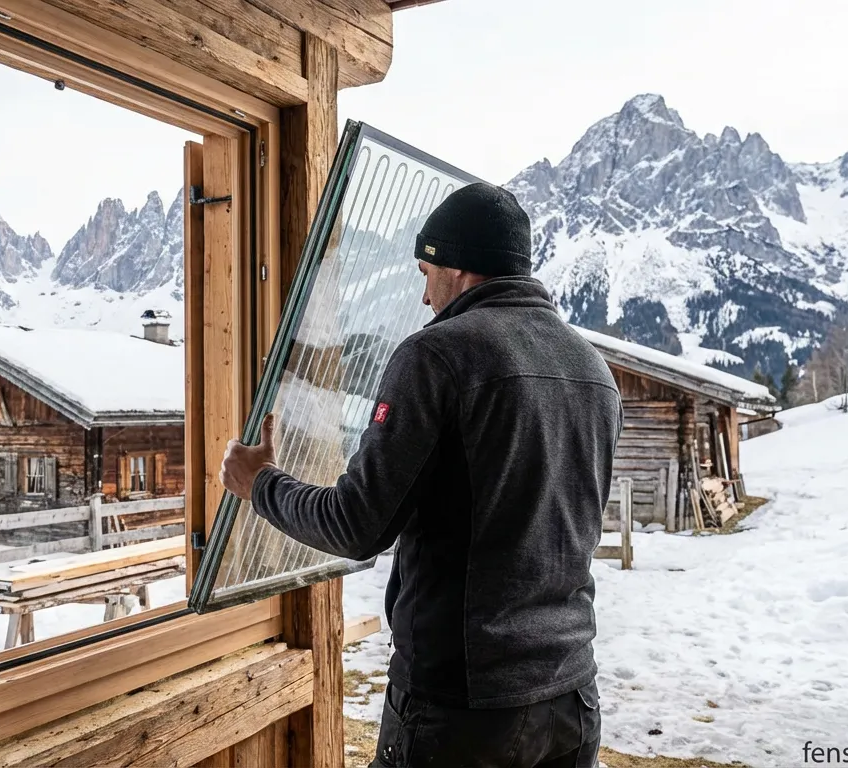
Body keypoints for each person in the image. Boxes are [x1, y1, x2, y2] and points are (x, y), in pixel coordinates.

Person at [219, 181, 622, 767]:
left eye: (424, 271)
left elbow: (357, 526)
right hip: (571, 700)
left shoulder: (437, 356)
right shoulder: (594, 371)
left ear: (455, 267)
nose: (423, 295)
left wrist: (260, 484)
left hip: (463, 708)